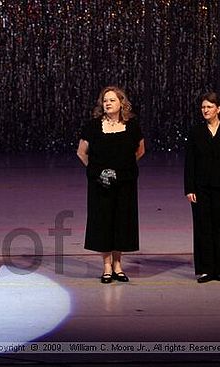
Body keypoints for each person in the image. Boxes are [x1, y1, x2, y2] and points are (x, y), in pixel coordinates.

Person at [77, 86, 145, 284]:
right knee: (103, 223)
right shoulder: (93, 126)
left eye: (112, 100)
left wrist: (122, 171)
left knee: (122, 223)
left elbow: (140, 151)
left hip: (124, 184)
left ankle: (118, 265)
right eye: (105, 100)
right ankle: (107, 266)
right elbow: (82, 153)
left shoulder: (131, 125)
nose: (107, 103)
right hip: (101, 185)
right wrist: (98, 173)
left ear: (121, 103)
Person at [184, 92, 220, 283]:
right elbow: (189, 162)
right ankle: (205, 270)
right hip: (200, 188)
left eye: (209, 107)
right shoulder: (195, 131)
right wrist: (189, 188)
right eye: (203, 107)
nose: (205, 110)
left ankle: (219, 270)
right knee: (202, 228)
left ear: (218, 109)